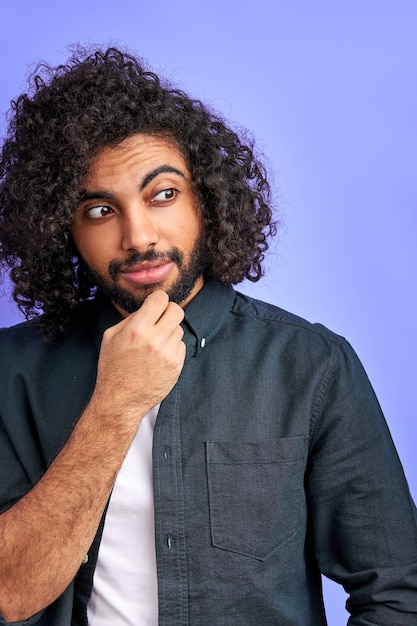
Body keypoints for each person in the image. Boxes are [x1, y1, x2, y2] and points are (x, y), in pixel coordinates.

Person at [0, 46, 416, 626]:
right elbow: (8, 593)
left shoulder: (310, 365)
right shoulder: (10, 372)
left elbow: (399, 593)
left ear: (207, 202)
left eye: (162, 194)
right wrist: (115, 406)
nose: (138, 235)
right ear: (59, 229)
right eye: (99, 210)